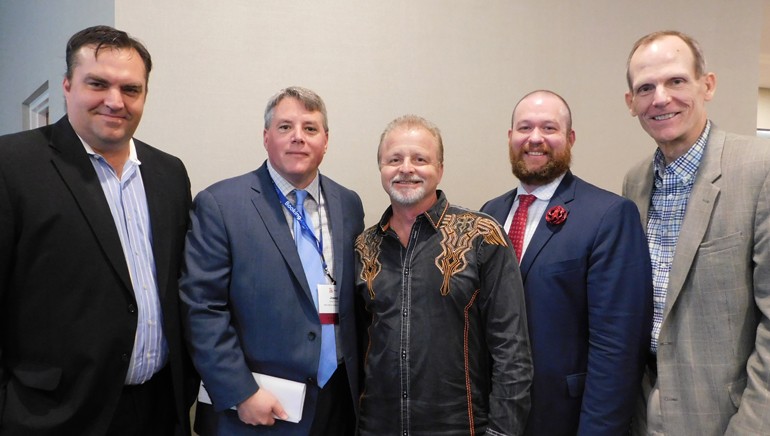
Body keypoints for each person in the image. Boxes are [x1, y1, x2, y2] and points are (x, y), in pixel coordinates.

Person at [0, 25, 195, 435]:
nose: (115, 101)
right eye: (98, 84)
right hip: (54, 416)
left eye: (130, 89)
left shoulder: (170, 173)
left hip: (159, 409)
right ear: (67, 86)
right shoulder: (12, 165)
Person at [180, 86, 364, 435]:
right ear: (266, 137)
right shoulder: (221, 204)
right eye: (285, 127)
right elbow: (202, 308)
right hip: (256, 408)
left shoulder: (348, 203)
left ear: (326, 140)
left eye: (310, 128)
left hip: (337, 403)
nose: (298, 138)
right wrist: (240, 391)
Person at [623, 30, 770, 435]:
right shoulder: (633, 183)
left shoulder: (761, 169)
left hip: (724, 416)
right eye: (646, 88)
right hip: (642, 408)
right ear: (631, 103)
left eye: (676, 81)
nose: (661, 98)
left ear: (708, 85)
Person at [481, 90, 653, 435]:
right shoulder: (489, 214)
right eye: (524, 128)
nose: (535, 139)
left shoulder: (608, 215)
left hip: (565, 417)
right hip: (493, 414)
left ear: (570, 139)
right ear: (510, 137)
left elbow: (618, 348)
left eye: (549, 128)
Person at [354, 115, 532, 435]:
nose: (406, 168)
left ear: (440, 169)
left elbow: (512, 351)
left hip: (460, 426)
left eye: (420, 159)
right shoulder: (364, 247)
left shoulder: (482, 236)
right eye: (394, 159)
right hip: (377, 426)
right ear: (381, 168)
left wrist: (504, 432)